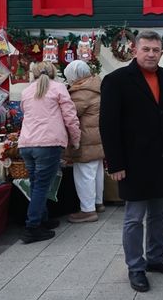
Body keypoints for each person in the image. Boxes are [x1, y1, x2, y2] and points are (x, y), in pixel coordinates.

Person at [99, 30, 163, 293]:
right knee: (134, 218)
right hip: (133, 163)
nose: (151, 54)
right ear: (135, 50)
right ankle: (136, 267)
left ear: (161, 52)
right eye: (146, 49)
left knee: (159, 214)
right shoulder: (116, 80)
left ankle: (155, 258)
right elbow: (108, 125)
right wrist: (116, 163)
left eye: (156, 50)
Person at [18, 61, 80, 244]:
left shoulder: (26, 91)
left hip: (26, 143)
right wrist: (75, 139)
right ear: (54, 72)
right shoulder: (59, 88)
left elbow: (26, 114)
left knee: (36, 183)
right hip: (48, 143)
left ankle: (43, 219)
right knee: (42, 186)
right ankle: (32, 227)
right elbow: (70, 117)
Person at [63, 60, 105, 223]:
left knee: (84, 174)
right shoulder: (96, 85)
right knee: (96, 171)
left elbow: (70, 114)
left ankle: (88, 210)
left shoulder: (82, 92)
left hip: (85, 138)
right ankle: (98, 203)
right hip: (97, 136)